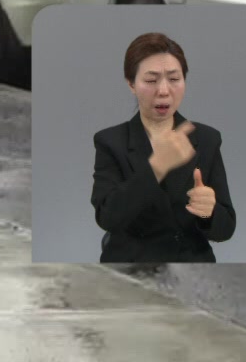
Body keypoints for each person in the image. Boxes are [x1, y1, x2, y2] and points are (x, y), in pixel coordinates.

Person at [90, 31, 236, 262]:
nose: (164, 91)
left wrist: (209, 212)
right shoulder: (110, 141)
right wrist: (157, 166)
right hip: (131, 268)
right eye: (151, 80)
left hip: (192, 269)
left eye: (174, 79)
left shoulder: (207, 139)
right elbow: (108, 217)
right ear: (131, 84)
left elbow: (226, 228)